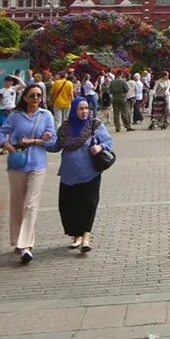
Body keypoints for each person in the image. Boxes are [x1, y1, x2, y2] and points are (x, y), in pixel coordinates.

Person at [0, 82, 59, 264]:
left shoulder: (46, 115)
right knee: (17, 203)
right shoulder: (16, 116)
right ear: (24, 98)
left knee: (31, 204)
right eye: (32, 96)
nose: (36, 99)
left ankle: (26, 245)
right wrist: (8, 146)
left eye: (39, 96)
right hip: (18, 164)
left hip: (38, 164)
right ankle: (17, 240)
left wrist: (42, 139)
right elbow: (2, 132)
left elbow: (52, 140)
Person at [54, 96, 114, 255]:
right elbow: (55, 146)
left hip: (90, 174)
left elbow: (108, 141)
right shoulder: (65, 128)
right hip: (68, 175)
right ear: (74, 110)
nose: (84, 111)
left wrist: (100, 147)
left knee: (88, 204)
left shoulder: (95, 125)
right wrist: (40, 140)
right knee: (68, 207)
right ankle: (76, 236)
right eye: (81, 109)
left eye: (86, 108)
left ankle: (86, 236)